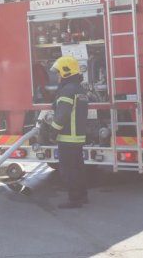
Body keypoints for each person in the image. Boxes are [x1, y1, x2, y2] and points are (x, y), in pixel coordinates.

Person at [49, 56, 89, 209]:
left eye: (59, 72)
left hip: (67, 138)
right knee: (78, 168)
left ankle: (74, 199)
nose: (57, 76)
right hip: (78, 137)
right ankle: (83, 196)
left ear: (66, 72)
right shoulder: (79, 89)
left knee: (68, 170)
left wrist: (53, 131)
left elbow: (62, 115)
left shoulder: (67, 91)